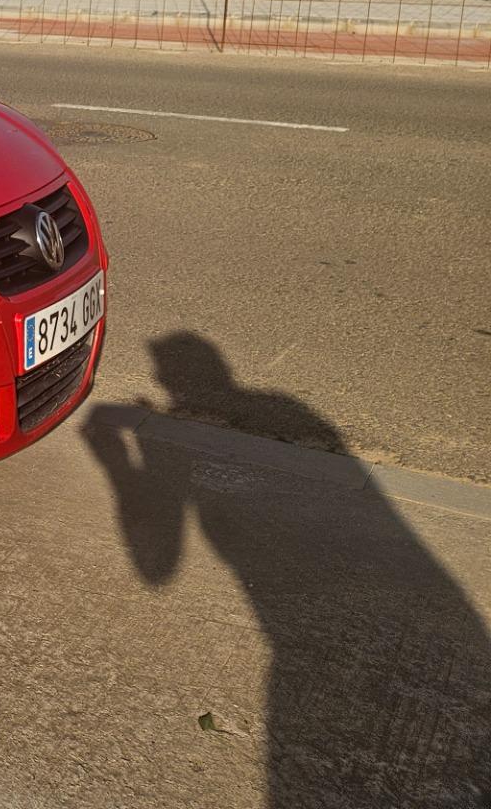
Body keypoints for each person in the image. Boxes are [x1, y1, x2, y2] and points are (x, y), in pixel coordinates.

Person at [85, 332, 490, 808]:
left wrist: (117, 465)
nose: (157, 378)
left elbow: (157, 570)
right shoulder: (289, 408)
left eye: (164, 371)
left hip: (297, 660)